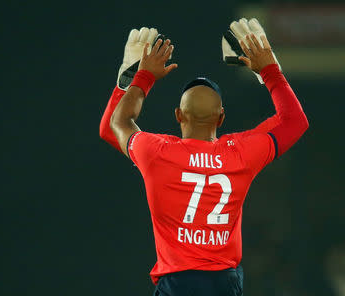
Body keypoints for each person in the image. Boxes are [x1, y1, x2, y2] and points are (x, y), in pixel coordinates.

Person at [100, 26, 308, 296]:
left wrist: (141, 78)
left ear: (178, 115)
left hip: (177, 283)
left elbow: (114, 125)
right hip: (224, 281)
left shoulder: (156, 152)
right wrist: (269, 70)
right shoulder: (240, 153)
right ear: (221, 118)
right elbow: (294, 121)